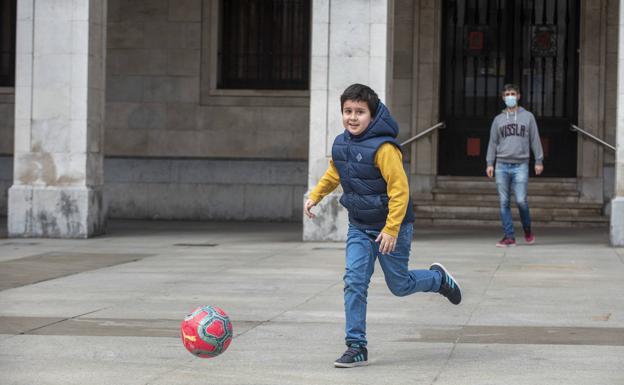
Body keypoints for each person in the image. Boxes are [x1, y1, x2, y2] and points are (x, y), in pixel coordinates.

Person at [304, 83, 461, 368]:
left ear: (372, 115)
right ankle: (356, 346)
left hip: (393, 227)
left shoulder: (385, 148)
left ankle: (438, 279)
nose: (352, 117)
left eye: (359, 112)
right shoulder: (341, 144)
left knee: (400, 285)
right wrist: (315, 196)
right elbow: (334, 173)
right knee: (354, 282)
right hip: (359, 226)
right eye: (347, 111)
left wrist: (391, 229)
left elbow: (400, 190)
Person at [486, 83, 544, 247]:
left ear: (518, 96)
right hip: (502, 164)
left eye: (513, 93)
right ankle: (509, 236)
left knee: (520, 201)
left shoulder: (528, 117)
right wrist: (490, 163)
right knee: (504, 202)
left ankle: (527, 230)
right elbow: (492, 143)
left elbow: (535, 139)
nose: (510, 97)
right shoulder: (498, 120)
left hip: (521, 165)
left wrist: (538, 160)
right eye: (507, 94)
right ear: (503, 98)